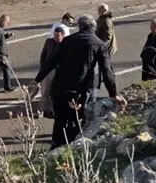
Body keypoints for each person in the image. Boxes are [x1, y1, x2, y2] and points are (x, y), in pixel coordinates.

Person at [34, 15, 127, 148]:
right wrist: (113, 94)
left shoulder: (67, 41)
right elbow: (107, 71)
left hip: (60, 87)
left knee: (60, 121)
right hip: (80, 90)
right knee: (77, 122)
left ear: (79, 26)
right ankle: (70, 150)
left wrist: (37, 80)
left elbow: (51, 61)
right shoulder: (99, 44)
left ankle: (55, 147)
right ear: (94, 28)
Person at [37, 23, 69, 118]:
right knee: (45, 91)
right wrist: (43, 68)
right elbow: (43, 55)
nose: (55, 37)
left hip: (60, 72)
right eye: (55, 35)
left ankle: (52, 110)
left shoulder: (67, 44)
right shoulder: (49, 42)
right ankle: (41, 110)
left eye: (57, 36)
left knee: (56, 93)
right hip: (48, 71)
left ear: (63, 35)